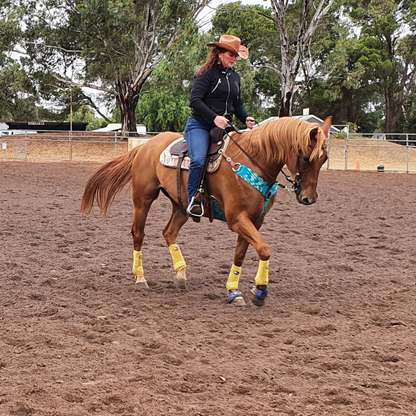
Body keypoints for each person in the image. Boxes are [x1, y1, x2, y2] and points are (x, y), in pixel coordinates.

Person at [184, 34, 256, 217]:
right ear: (219, 53)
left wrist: (246, 117)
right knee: (199, 160)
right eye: (230, 54)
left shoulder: (235, 77)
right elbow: (195, 100)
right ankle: (192, 199)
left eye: (235, 55)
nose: (233, 58)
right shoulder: (205, 74)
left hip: (223, 126)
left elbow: (236, 103)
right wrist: (214, 117)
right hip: (200, 124)